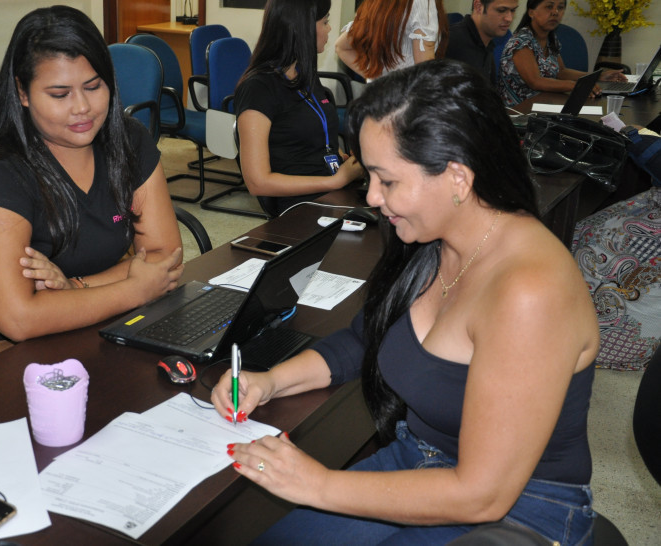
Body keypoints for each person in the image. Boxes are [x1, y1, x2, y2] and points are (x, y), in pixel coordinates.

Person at [212, 60, 600, 544]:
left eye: (387, 180)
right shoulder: (435, 240)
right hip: (420, 459)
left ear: (457, 177)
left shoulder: (530, 292)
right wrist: (270, 381)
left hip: (521, 508)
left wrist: (320, 484)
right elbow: (366, 339)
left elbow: (483, 495)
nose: (373, 197)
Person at [0, 6, 183, 375]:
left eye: (93, 86)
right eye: (59, 94)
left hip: (93, 323)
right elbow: (19, 319)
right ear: (22, 92)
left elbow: (164, 255)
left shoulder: (128, 140)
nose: (82, 108)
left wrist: (75, 288)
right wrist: (134, 289)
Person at [234, 0, 364, 218]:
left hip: (332, 193)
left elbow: (307, 140)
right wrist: (337, 179)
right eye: (325, 22)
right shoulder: (258, 88)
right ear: (303, 29)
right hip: (299, 206)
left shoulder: (305, 76)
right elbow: (258, 182)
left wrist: (340, 159)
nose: (329, 28)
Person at [498, 0, 627, 107]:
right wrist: (575, 86)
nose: (555, 12)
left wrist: (597, 76)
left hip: (547, 103)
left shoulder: (550, 39)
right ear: (532, 12)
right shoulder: (521, 42)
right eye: (549, 6)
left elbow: (561, 72)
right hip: (521, 111)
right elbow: (535, 81)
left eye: (560, 7)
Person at [335, 0, 447, 81]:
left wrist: (377, 79)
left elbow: (341, 47)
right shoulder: (423, 3)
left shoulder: (378, 4)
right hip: (408, 101)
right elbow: (424, 73)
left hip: (382, 98)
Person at [446, 0, 519, 84]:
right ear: (478, 6)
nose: (509, 18)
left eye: (513, 10)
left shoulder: (488, 43)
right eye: (501, 10)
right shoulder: (451, 41)